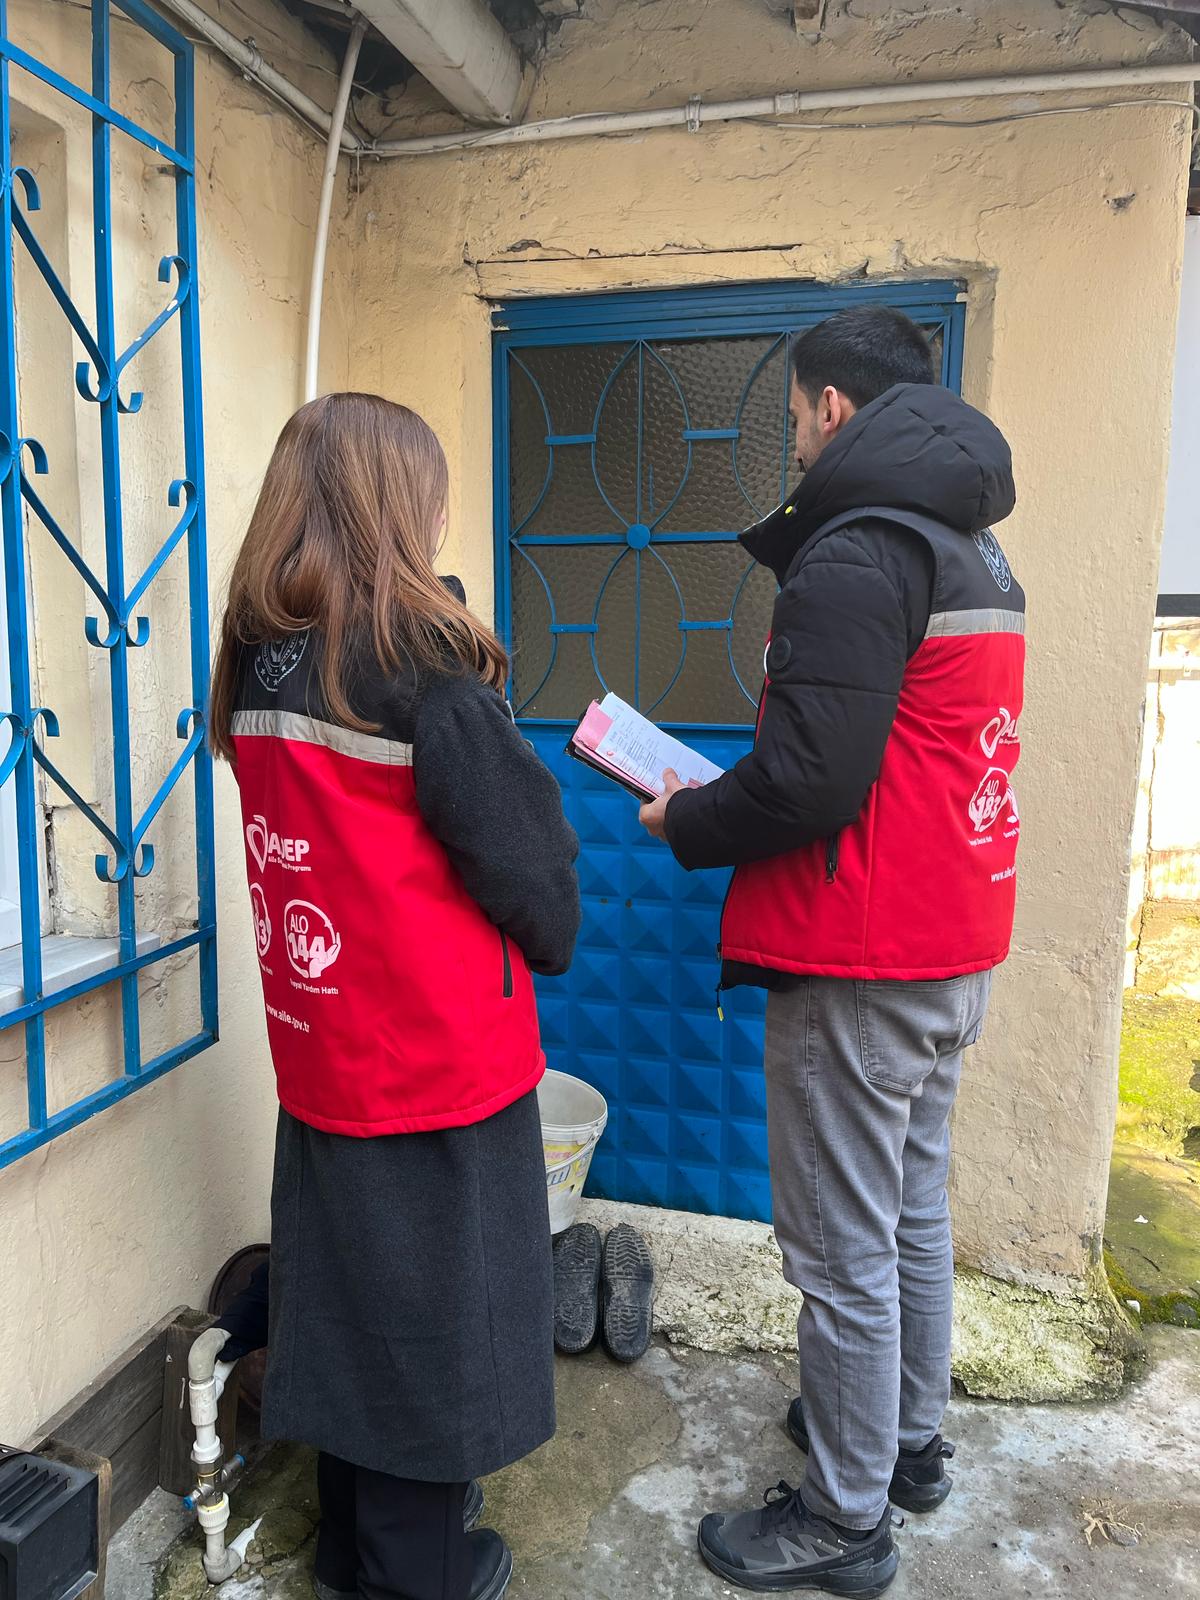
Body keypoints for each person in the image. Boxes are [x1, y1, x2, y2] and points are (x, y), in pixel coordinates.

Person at [639, 306, 1024, 1595]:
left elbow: (810, 782)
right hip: (946, 947)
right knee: (910, 1211)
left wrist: (686, 816)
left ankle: (846, 1516)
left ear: (833, 412)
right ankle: (904, 1442)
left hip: (863, 961)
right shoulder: (970, 550)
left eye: (793, 412)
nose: (792, 437)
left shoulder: (857, 552)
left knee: (839, 1247)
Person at [208, 392, 580, 1600]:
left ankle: (347, 1546)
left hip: (326, 1056)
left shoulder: (253, 660)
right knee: (433, 1339)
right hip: (435, 1067)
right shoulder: (427, 675)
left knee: (349, 1308)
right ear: (397, 508)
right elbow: (532, 875)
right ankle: (412, 1574)